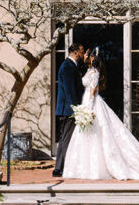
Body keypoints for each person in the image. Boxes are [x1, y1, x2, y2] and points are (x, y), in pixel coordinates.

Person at [62, 47, 139, 180]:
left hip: (91, 103)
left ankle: (98, 168)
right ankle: (85, 168)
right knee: (88, 134)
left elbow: (92, 92)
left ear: (92, 57)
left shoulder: (94, 72)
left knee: (98, 134)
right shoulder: (89, 70)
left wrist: (87, 109)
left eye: (87, 54)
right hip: (85, 101)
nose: (85, 55)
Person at [52, 42, 86, 177]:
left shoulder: (73, 66)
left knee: (65, 138)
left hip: (68, 108)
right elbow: (69, 91)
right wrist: (76, 109)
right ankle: (59, 168)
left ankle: (61, 167)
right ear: (76, 52)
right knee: (66, 138)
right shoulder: (67, 67)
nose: (83, 54)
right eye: (82, 51)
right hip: (68, 109)